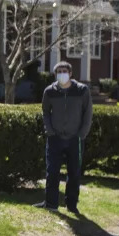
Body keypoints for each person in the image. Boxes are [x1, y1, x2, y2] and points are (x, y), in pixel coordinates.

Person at [36, 60, 92, 213]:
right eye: (59, 72)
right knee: (52, 171)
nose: (62, 74)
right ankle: (51, 203)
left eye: (64, 71)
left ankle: (71, 204)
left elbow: (88, 114)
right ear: (55, 74)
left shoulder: (82, 90)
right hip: (55, 138)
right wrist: (50, 131)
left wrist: (82, 134)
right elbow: (46, 112)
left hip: (75, 139)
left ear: (70, 73)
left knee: (74, 172)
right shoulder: (49, 91)